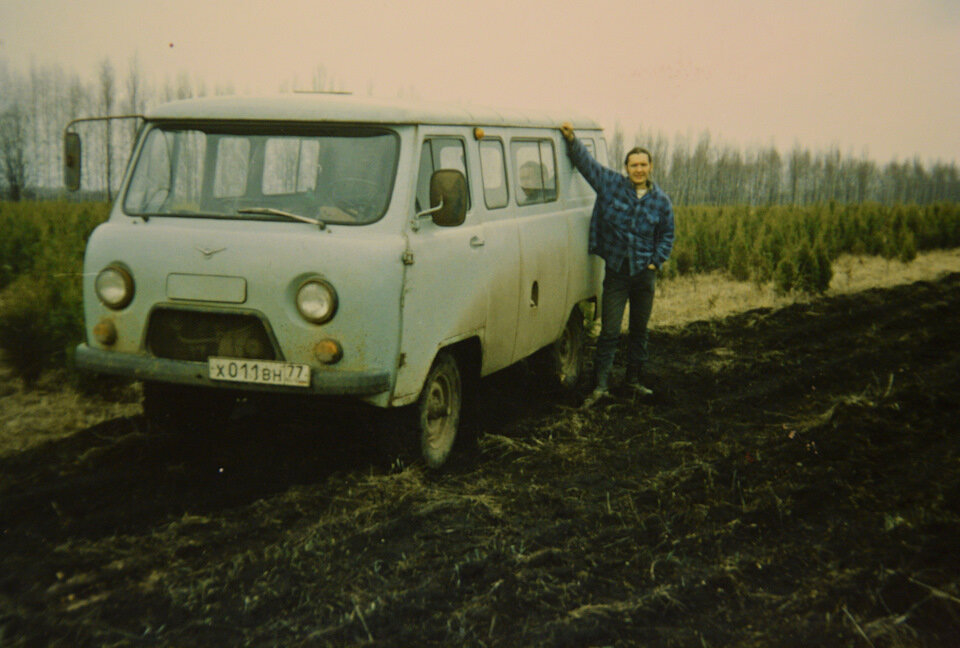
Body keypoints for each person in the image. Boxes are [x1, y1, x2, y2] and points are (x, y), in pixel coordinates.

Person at [560, 122, 674, 406]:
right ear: (626, 167)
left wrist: (655, 262)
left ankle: (633, 382)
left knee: (639, 331)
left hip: (644, 276)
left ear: (650, 167)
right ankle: (600, 387)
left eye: (643, 165)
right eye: (633, 165)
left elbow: (667, 234)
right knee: (610, 331)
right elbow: (587, 166)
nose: (638, 169)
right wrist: (571, 139)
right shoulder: (610, 185)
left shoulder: (661, 201)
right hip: (617, 273)